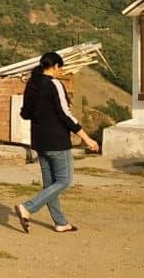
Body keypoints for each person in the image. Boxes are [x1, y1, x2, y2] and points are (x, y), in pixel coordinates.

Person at [14, 51, 99, 233]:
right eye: (61, 68)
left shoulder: (32, 84)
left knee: (50, 184)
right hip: (57, 141)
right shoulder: (54, 84)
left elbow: (25, 113)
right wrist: (87, 138)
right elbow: (65, 114)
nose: (61, 71)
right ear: (55, 66)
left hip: (38, 141)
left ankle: (60, 222)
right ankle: (28, 207)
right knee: (64, 180)